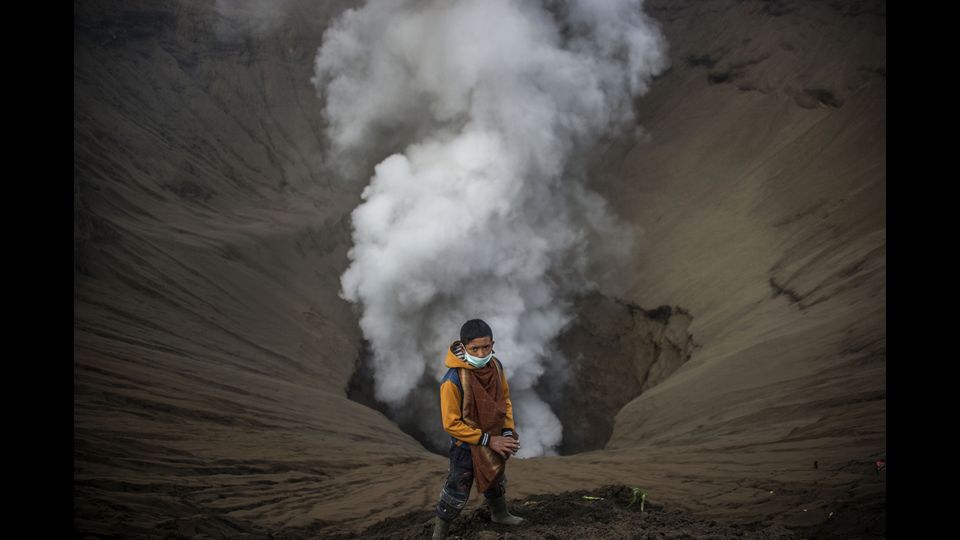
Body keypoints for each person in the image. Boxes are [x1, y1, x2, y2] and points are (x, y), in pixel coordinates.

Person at [431, 319, 525, 539]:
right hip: (465, 446)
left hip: (494, 437)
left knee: (495, 478)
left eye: (486, 347)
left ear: (493, 343)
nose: (482, 353)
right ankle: (439, 534)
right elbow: (451, 423)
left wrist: (507, 431)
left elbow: (505, 401)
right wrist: (487, 440)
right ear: (463, 348)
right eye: (475, 348)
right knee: (457, 489)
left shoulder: (496, 367)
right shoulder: (452, 381)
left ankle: (500, 514)